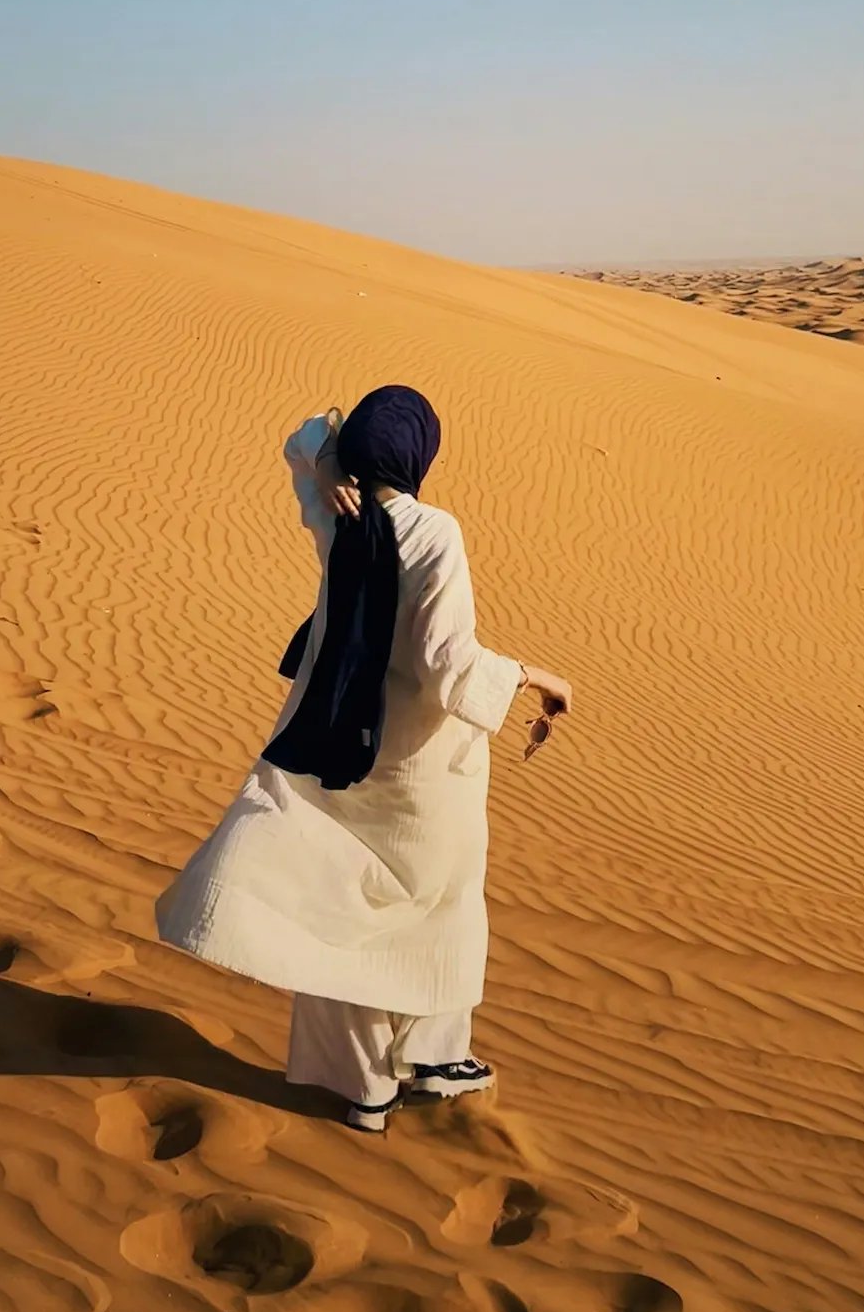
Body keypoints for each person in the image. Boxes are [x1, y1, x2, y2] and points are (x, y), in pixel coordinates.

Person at [156, 385, 572, 1132]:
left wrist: (328, 471)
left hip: (338, 751)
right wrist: (531, 675)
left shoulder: (338, 515)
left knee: (336, 912)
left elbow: (303, 435)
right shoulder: (432, 529)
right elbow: (447, 665)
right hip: (420, 769)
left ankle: (367, 1088)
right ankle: (436, 1055)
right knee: (444, 901)